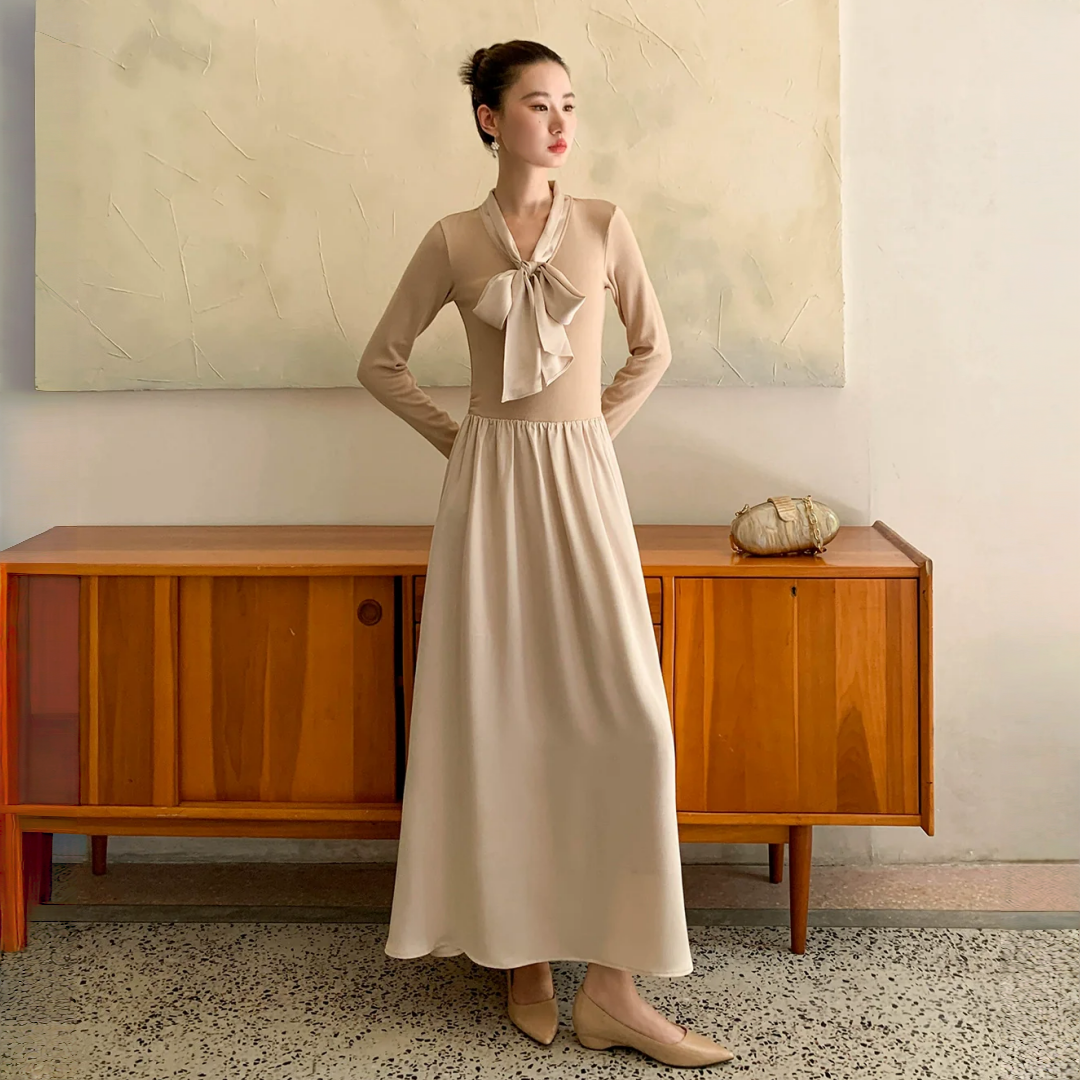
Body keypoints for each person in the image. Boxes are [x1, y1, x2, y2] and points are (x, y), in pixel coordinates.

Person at [356, 39, 734, 1069]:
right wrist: (464, 441)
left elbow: (654, 348)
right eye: (537, 104)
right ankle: (516, 950)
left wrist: (590, 435)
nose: (560, 122)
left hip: (584, 490)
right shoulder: (451, 238)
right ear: (491, 118)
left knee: (632, 723)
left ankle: (612, 990)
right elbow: (380, 362)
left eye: (569, 103)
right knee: (500, 719)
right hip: (488, 496)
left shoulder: (605, 225)